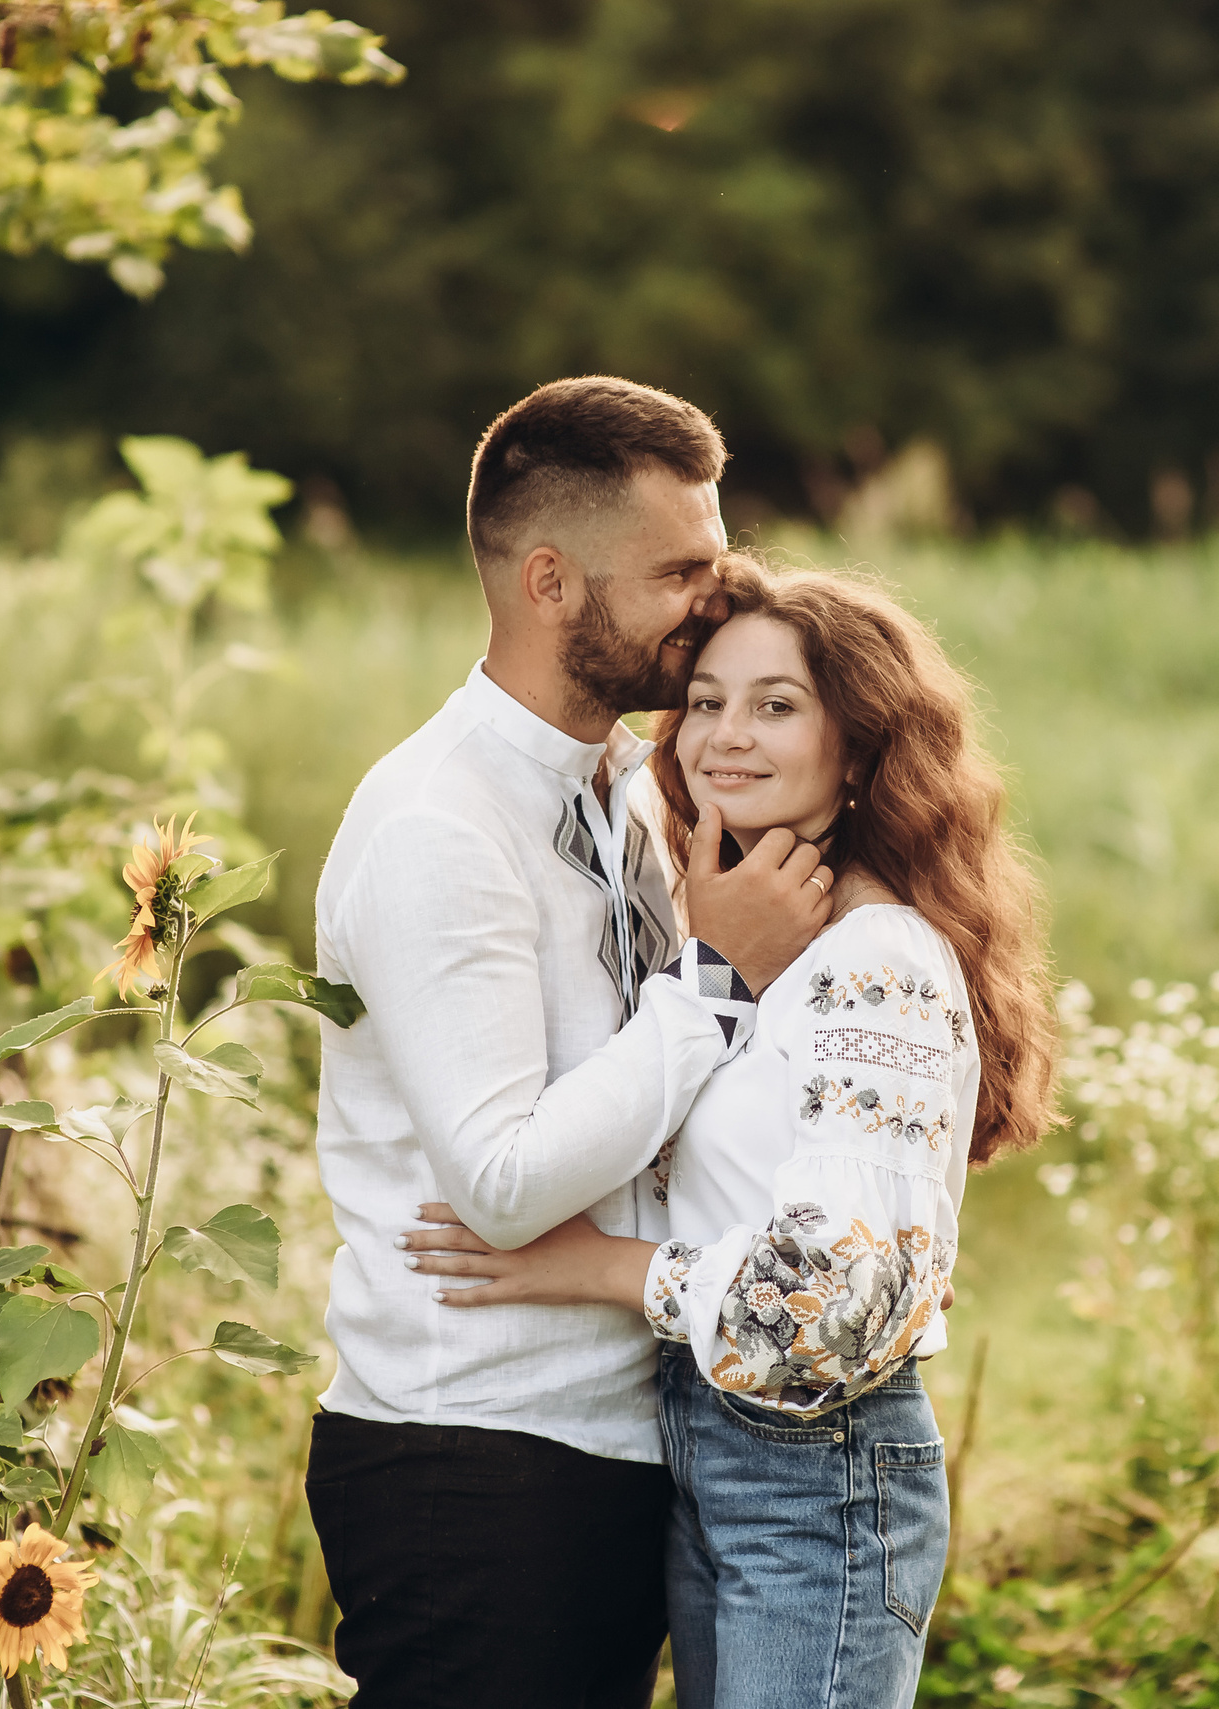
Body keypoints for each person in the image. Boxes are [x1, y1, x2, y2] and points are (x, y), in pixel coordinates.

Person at [403, 557, 1062, 1709]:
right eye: (705, 700)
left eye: (776, 704)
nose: (725, 735)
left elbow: (838, 1301)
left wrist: (589, 1266)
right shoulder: (749, 936)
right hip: (711, 1442)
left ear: (857, 746)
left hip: (819, 1473)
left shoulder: (876, 961)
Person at [305, 382, 836, 1709]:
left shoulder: (617, 792)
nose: (714, 599)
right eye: (679, 571)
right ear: (551, 581)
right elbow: (501, 1178)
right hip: (470, 1455)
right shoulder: (441, 822)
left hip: (607, 1437)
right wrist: (718, 982)